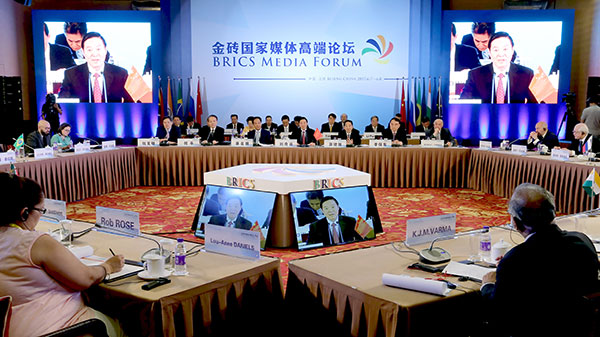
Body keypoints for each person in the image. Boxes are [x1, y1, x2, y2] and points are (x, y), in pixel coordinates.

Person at [0, 173, 126, 336]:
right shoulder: (33, 242)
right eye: (41, 210)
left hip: (12, 329)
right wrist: (108, 266)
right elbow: (85, 278)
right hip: (59, 328)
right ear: (24, 213)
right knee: (126, 323)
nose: (40, 216)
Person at [481, 183, 599, 337]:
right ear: (554, 213)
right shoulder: (582, 241)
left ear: (515, 223)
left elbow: (499, 314)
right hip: (579, 329)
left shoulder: (515, 260)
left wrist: (488, 285)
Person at [460, 32, 535, 103]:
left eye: (505, 49)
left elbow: (536, 106)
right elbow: (463, 103)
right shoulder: (475, 74)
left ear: (512, 51)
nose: (501, 54)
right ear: (489, 52)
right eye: (496, 50)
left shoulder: (526, 74)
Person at [59, 32, 133, 103]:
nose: (94, 54)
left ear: (105, 50)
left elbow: (131, 103)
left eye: (98, 49)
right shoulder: (71, 74)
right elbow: (63, 104)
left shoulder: (120, 74)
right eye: (89, 50)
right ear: (83, 52)